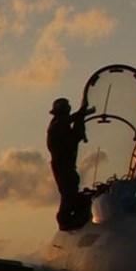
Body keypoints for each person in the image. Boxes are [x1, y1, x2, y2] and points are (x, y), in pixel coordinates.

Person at [47, 97, 94, 229]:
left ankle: (75, 214)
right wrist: (82, 112)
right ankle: (64, 220)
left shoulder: (64, 127)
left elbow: (76, 135)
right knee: (68, 191)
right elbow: (66, 122)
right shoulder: (56, 125)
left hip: (67, 165)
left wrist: (81, 118)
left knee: (73, 187)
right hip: (61, 165)